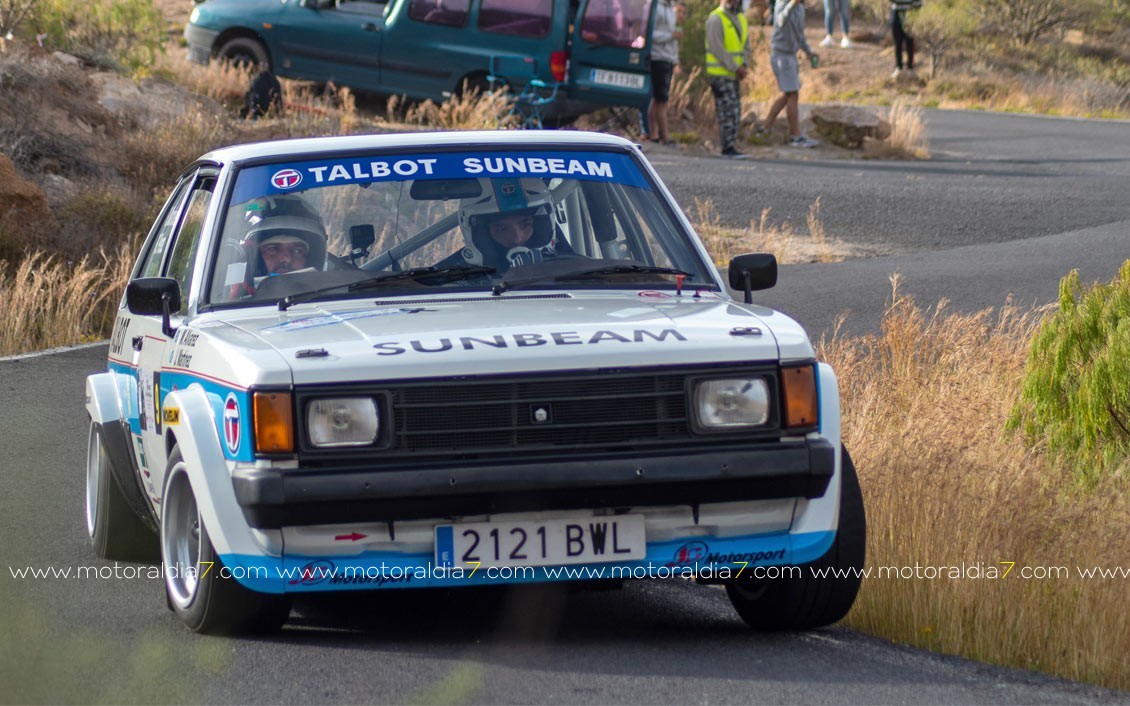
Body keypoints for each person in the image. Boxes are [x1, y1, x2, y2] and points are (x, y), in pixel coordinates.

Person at [452, 178, 563, 274]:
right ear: (482, 234)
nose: (517, 238)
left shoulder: (573, 273)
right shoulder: (452, 284)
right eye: (501, 229)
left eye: (526, 224)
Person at [759, 0, 820, 148]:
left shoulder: (800, 8)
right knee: (792, 93)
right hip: (781, 55)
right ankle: (795, 135)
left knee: (787, 94)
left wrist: (809, 52)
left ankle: (766, 127)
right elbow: (779, 21)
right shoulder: (783, 3)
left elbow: (800, 34)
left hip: (791, 55)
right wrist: (791, 4)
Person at [704, 0, 753, 158]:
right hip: (719, 74)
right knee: (726, 111)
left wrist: (744, 65)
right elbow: (716, 47)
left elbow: (746, 44)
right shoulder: (715, 19)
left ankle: (731, 144)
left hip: (735, 74)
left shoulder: (741, 18)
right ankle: (727, 147)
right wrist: (735, 66)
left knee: (735, 110)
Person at [647, 0, 684, 145]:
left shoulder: (670, 8)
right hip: (657, 57)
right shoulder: (654, 6)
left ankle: (655, 134)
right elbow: (650, 34)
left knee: (658, 99)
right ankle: (664, 136)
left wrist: (675, 60)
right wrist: (670, 35)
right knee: (661, 99)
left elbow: (673, 39)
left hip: (667, 58)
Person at [890, 0, 921, 78]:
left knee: (910, 42)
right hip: (897, 12)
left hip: (910, 13)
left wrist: (916, 16)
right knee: (898, 42)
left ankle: (910, 68)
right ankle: (898, 68)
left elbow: (918, 4)